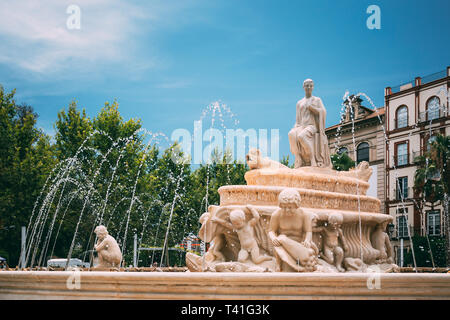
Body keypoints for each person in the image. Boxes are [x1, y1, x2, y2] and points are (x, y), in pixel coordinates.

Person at [268, 188, 317, 272]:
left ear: (296, 205)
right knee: (280, 239)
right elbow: (271, 231)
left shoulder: (304, 215)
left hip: (299, 245)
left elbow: (308, 231)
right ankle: (278, 263)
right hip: (282, 246)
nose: (287, 210)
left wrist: (307, 241)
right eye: (284, 207)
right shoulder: (276, 215)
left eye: (290, 207)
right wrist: (273, 238)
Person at [288, 79, 331, 168]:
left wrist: (313, 108)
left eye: (310, 86)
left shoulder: (317, 100)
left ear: (313, 87)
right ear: (303, 87)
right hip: (301, 126)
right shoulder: (299, 103)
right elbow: (297, 118)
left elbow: (323, 112)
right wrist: (295, 127)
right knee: (291, 134)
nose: (309, 87)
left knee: (301, 136)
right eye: (307, 86)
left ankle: (312, 159)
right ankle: (298, 158)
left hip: (312, 126)